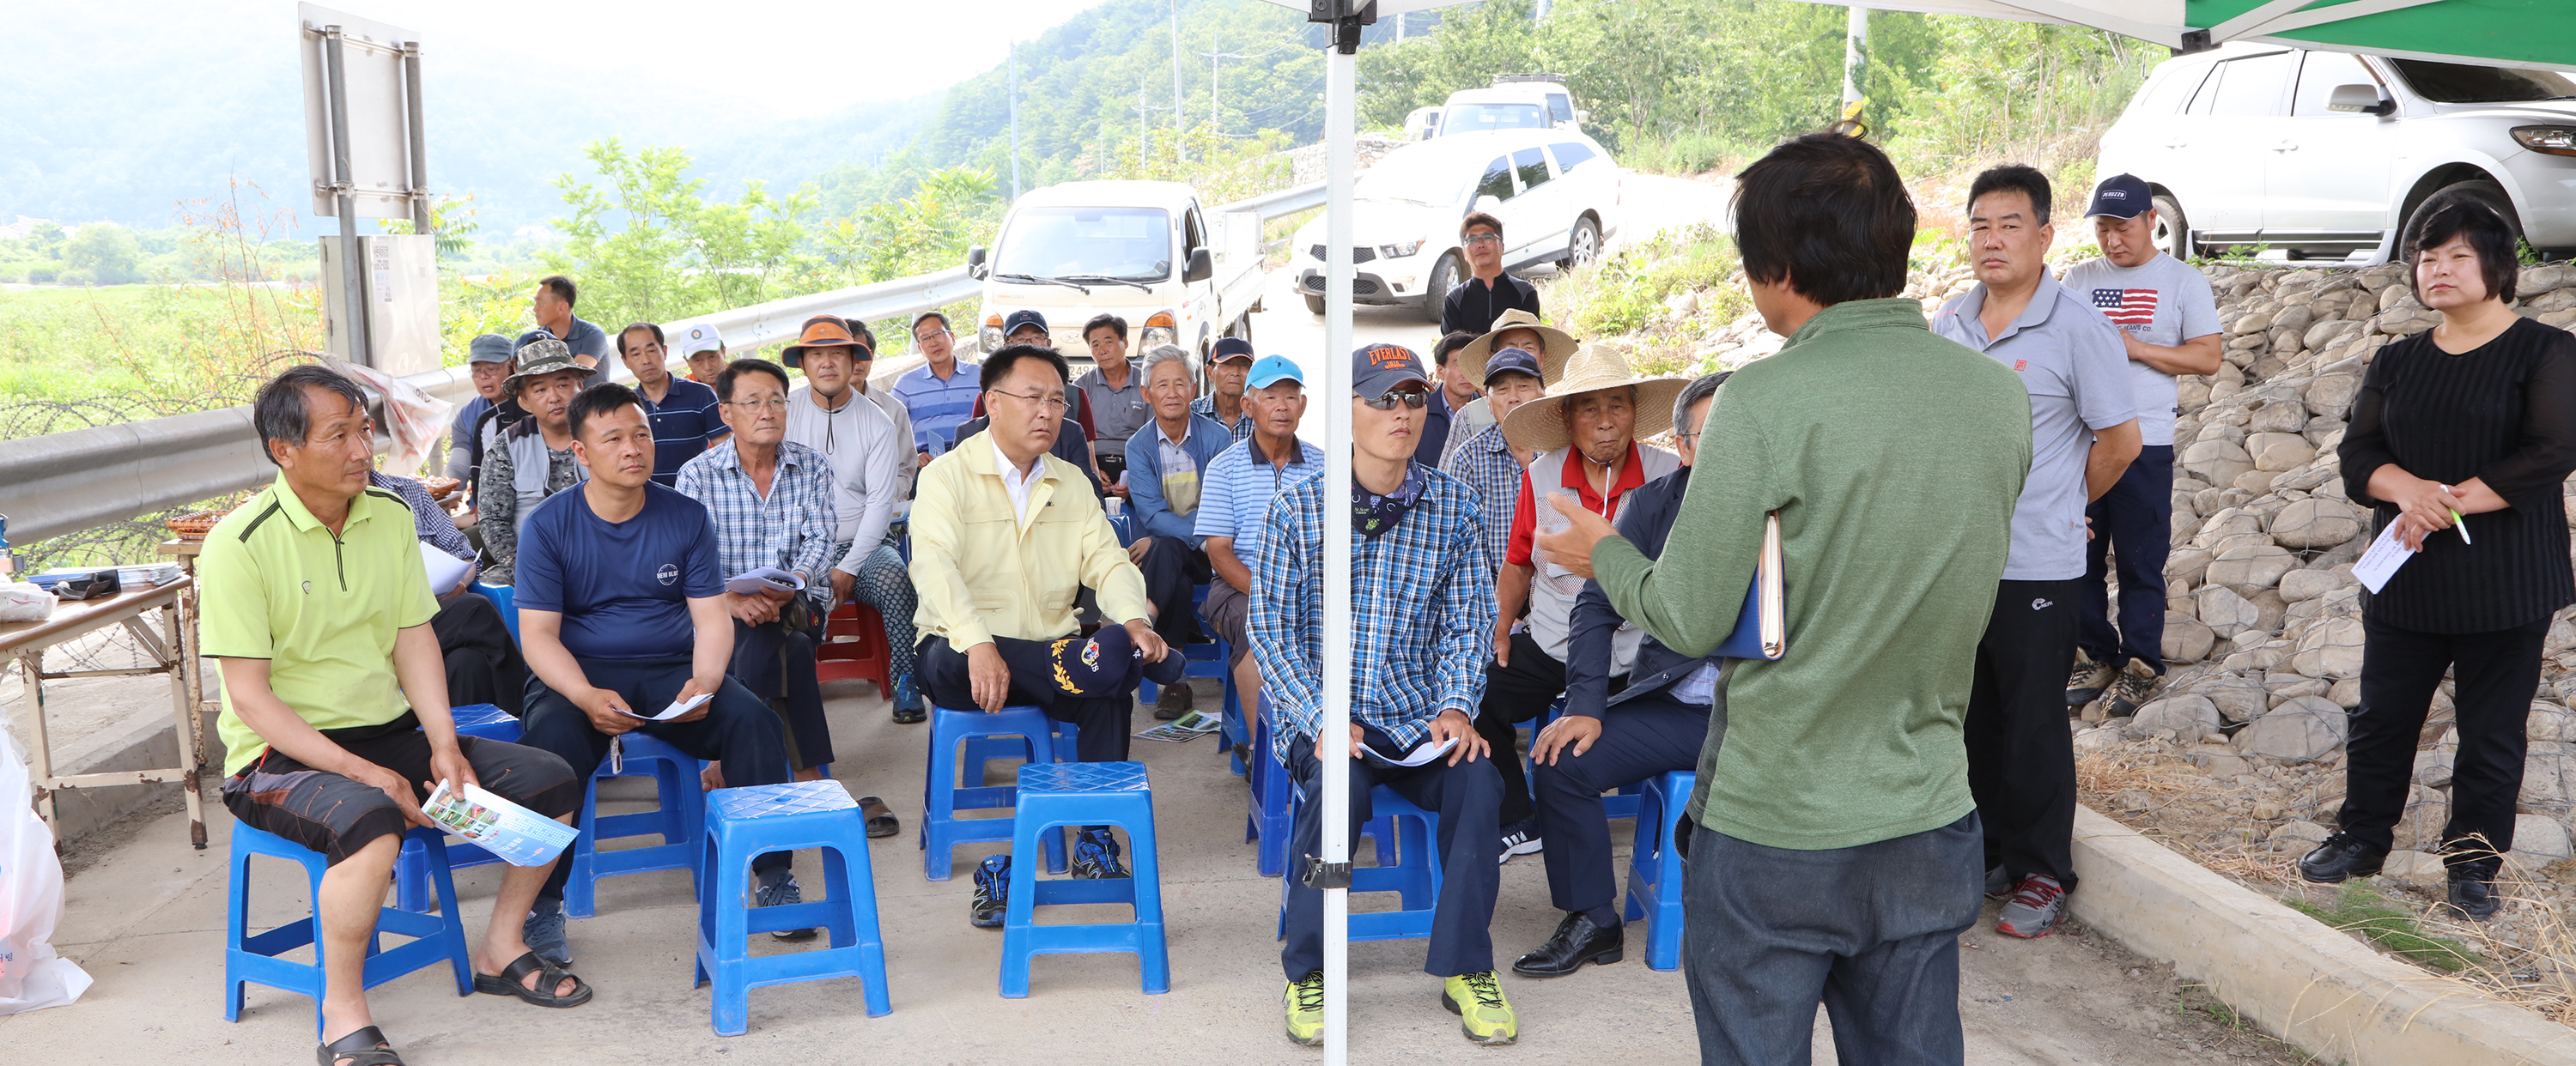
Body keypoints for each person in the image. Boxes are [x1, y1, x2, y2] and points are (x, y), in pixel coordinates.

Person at [1535, 132, 2032, 1066]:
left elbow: (1685, 615)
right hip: (1927, 806)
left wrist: (1602, 550)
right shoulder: (1995, 398)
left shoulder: (1763, 402)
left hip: (1779, 825)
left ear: (1781, 266)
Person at [204, 366, 590, 1066]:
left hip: (388, 734)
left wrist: (443, 743)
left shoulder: (387, 514)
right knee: (369, 816)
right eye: (340, 435)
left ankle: (502, 945)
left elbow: (414, 636)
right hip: (275, 758)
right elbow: (252, 699)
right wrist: (365, 774)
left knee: (551, 779)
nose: (362, 450)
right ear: (282, 449)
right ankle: (342, 1012)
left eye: (365, 430)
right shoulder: (239, 543)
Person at [2300, 196, 2576, 921]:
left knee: (2490, 733)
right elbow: (2360, 454)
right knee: (2383, 718)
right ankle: (2362, 840)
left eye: (2457, 256)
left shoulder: (2547, 351)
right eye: (2427, 258)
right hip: (2407, 577)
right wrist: (2413, 493)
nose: (2439, 270)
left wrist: (2442, 503)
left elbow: (2550, 453)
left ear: (2496, 265)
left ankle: (2473, 865)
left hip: (2506, 581)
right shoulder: (2398, 359)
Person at [1255, 342, 1513, 1048]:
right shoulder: (1300, 508)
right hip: (1331, 718)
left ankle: (1466, 965)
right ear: (1349, 414)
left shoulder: (1453, 506)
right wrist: (1319, 716)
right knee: (1339, 792)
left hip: (1418, 717)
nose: (1400, 414)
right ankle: (1308, 970)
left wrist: (1458, 706)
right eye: (1381, 400)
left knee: (1479, 782)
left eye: (1410, 399)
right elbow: (1270, 631)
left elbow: (1469, 622)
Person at [511, 383, 803, 966]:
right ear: (582, 453)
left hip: (672, 668)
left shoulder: (686, 517)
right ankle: (542, 906)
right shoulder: (548, 526)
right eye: (613, 438)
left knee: (754, 723)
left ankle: (773, 877)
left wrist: (708, 681)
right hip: (579, 675)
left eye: (641, 434)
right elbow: (538, 636)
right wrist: (582, 694)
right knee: (549, 753)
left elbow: (712, 618)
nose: (632, 449)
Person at [1930, 164, 2141, 940]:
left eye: (2009, 224)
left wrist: (2065, 503)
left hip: (2037, 565)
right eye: (1980, 224)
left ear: (2045, 236)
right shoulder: (1951, 321)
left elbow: (2121, 442)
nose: (1992, 239)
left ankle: (2044, 870)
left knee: (2033, 725)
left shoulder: (2080, 329)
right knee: (1968, 716)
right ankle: (1984, 852)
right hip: (1957, 562)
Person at [908, 342, 1185, 926]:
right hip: (959, 655)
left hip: (1052, 652)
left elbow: (1107, 563)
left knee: (1108, 686)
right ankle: (1122, 658)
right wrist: (977, 640)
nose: (1047, 412)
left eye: (1058, 401)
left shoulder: (1071, 482)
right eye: (1033, 397)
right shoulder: (947, 477)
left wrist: (1134, 618)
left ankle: (1087, 840)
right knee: (1102, 666)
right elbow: (932, 567)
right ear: (992, 403)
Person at [1517, 371, 1728, 979]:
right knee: (1561, 755)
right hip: (1686, 705)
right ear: (1684, 448)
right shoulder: (1654, 504)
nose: (1734, 449)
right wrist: (1585, 703)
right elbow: (1595, 605)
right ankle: (1594, 920)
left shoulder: (1792, 509)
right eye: (1714, 436)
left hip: (1767, 707)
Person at [1479, 347, 1684, 863]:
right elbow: (1519, 562)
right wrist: (1503, 625)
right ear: (1568, 418)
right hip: (1552, 644)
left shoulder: (1671, 475)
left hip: (1641, 660)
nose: (1606, 423)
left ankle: (1667, 829)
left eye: (1618, 405)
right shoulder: (1543, 475)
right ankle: (1519, 819)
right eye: (1589, 408)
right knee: (1476, 692)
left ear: (1635, 411)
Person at [2061, 173, 2223, 718]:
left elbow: (2207, 358)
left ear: (2151, 220)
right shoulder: (2078, 279)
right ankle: (2097, 655)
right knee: (2074, 554)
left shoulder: (2182, 281)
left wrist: (2136, 348)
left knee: (2140, 559)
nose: (2112, 240)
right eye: (2103, 229)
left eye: (2123, 228)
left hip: (2145, 441)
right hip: (2080, 441)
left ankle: (2141, 663)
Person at [675, 358, 842, 784]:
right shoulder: (697, 476)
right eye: (752, 402)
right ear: (726, 413)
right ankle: (807, 773)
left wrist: (797, 581)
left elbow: (822, 541)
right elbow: (689, 561)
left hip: (801, 603)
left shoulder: (812, 466)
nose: (767, 412)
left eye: (776, 401)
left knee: (777, 625)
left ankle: (723, 750)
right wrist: (730, 601)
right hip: (723, 611)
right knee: (790, 649)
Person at [780, 314, 926, 723]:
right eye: (817, 355)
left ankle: (905, 681)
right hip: (796, 548)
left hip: (861, 545)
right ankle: (780, 692)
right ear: (804, 365)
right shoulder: (785, 414)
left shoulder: (877, 421)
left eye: (837, 354)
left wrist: (848, 566)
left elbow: (881, 504)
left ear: (853, 361)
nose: (827, 363)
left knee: (896, 579)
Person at [1194, 355, 1324, 731]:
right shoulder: (1224, 466)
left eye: (1290, 396)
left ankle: (1321, 739)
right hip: (1239, 586)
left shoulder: (1325, 466)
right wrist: (1270, 591)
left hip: (1311, 586)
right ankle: (1262, 752)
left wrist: (1305, 591)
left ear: (1302, 405)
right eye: (1270, 397)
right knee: (1260, 634)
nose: (1282, 406)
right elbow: (1219, 553)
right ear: (1248, 407)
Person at [1122, 344, 1233, 719]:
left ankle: (1142, 625)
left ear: (1194, 387)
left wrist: (1198, 537)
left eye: (1180, 383)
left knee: (1166, 547)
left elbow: (1223, 506)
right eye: (1162, 385)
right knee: (1175, 570)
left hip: (1213, 553)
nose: (1172, 393)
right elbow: (1151, 513)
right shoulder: (1138, 447)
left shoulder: (1218, 439)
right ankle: (1175, 684)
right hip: (1171, 554)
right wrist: (1180, 535)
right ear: (1146, 394)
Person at [374, 469, 526, 717]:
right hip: (385, 624)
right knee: (475, 610)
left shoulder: (409, 492)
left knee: (468, 662)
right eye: (340, 435)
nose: (358, 447)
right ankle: (525, 714)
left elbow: (463, 553)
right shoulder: (327, 505)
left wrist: (459, 581)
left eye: (365, 429)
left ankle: (465, 745)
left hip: (436, 608)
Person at [477, 340, 592, 584]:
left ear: (579, 386)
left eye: (563, 384)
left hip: (600, 558)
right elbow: (493, 521)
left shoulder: (604, 436)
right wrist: (528, 571)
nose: (554, 397)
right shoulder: (506, 446)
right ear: (524, 400)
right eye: (540, 390)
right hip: (529, 564)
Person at [1441, 346, 1557, 572]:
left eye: (1523, 386)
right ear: (1488, 404)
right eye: (1502, 389)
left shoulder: (1561, 450)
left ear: (1543, 393)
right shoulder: (1468, 459)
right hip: (1492, 591)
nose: (1513, 397)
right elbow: (1455, 543)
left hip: (1554, 590)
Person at [616, 322, 727, 487]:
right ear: (625, 361)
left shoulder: (701, 394)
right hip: (647, 499)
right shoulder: (627, 405)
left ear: (664, 351)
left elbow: (725, 451)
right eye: (636, 354)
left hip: (696, 493)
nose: (646, 360)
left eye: (651, 350)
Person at [1076, 313, 1153, 499]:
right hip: (1092, 461)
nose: (1102, 350)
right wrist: (1091, 471)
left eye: (1108, 342)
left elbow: (1153, 436)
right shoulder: (1081, 387)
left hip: (1136, 462)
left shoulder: (1146, 383)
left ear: (1124, 342)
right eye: (1095, 345)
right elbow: (1075, 438)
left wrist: (1133, 476)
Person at [892, 310, 981, 463]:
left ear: (952, 338)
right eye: (925, 338)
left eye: (938, 334)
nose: (933, 343)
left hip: (974, 455)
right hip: (927, 460)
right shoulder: (906, 385)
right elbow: (891, 429)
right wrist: (912, 457)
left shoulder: (981, 376)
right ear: (920, 349)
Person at [1442, 211, 1540, 337]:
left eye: (1488, 237)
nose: (1481, 245)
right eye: (1472, 240)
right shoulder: (1454, 300)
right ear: (1464, 254)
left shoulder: (1525, 293)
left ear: (1502, 247)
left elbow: (1530, 343)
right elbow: (1451, 351)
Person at [1414, 330, 1485, 466]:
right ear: (1440, 372)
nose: (1467, 373)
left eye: (1471, 365)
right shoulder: (1421, 408)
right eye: (1459, 366)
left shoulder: (1487, 411)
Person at [531, 275, 612, 390]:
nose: (535, 308)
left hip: (596, 404)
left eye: (540, 303)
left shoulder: (593, 334)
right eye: (535, 302)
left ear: (562, 307)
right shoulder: (539, 338)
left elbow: (572, 374)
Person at [1192, 336, 1257, 443]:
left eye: (1243, 365)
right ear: (1210, 372)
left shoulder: (1260, 414)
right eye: (1227, 364)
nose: (1235, 372)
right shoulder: (1194, 414)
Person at [678, 322, 728, 387]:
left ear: (723, 352)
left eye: (712, 357)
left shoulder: (740, 379)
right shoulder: (684, 389)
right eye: (698, 360)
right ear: (687, 361)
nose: (707, 367)